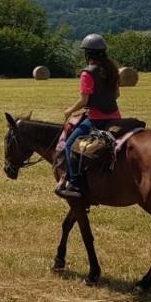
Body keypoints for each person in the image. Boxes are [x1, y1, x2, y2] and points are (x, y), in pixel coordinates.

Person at [56, 33, 122, 200]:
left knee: (70, 145)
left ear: (88, 53)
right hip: (116, 117)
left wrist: (70, 110)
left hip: (97, 121)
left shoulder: (87, 73)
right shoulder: (112, 69)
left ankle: (76, 184)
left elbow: (84, 99)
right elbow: (117, 94)